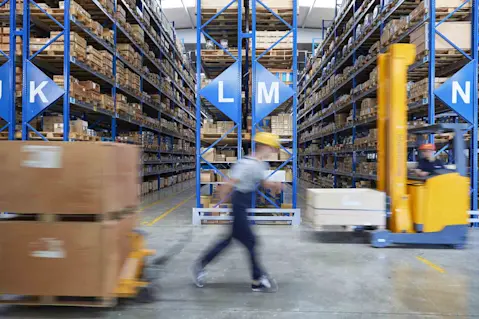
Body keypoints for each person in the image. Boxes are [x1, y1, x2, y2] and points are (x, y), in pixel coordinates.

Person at [192, 132, 282, 292]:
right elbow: (228, 184)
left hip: (244, 203)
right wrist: (218, 205)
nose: (274, 152)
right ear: (264, 146)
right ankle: (257, 279)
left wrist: (273, 186)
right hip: (239, 203)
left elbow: (261, 181)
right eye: (273, 148)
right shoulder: (246, 164)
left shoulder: (261, 164)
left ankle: (201, 265)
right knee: (251, 241)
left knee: (229, 241)